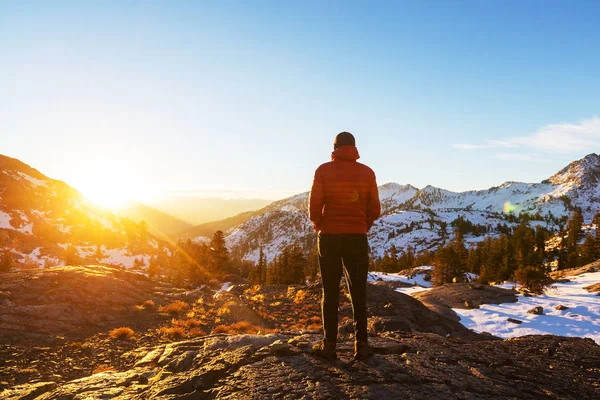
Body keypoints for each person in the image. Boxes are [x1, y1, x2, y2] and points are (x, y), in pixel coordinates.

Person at [309, 131, 381, 361]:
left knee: (329, 291)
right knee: (358, 291)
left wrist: (320, 225)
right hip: (357, 238)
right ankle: (362, 345)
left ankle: (329, 345)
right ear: (354, 148)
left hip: (329, 237)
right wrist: (363, 225)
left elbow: (314, 205)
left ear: (335, 147)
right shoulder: (367, 172)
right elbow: (374, 209)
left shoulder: (323, 170)